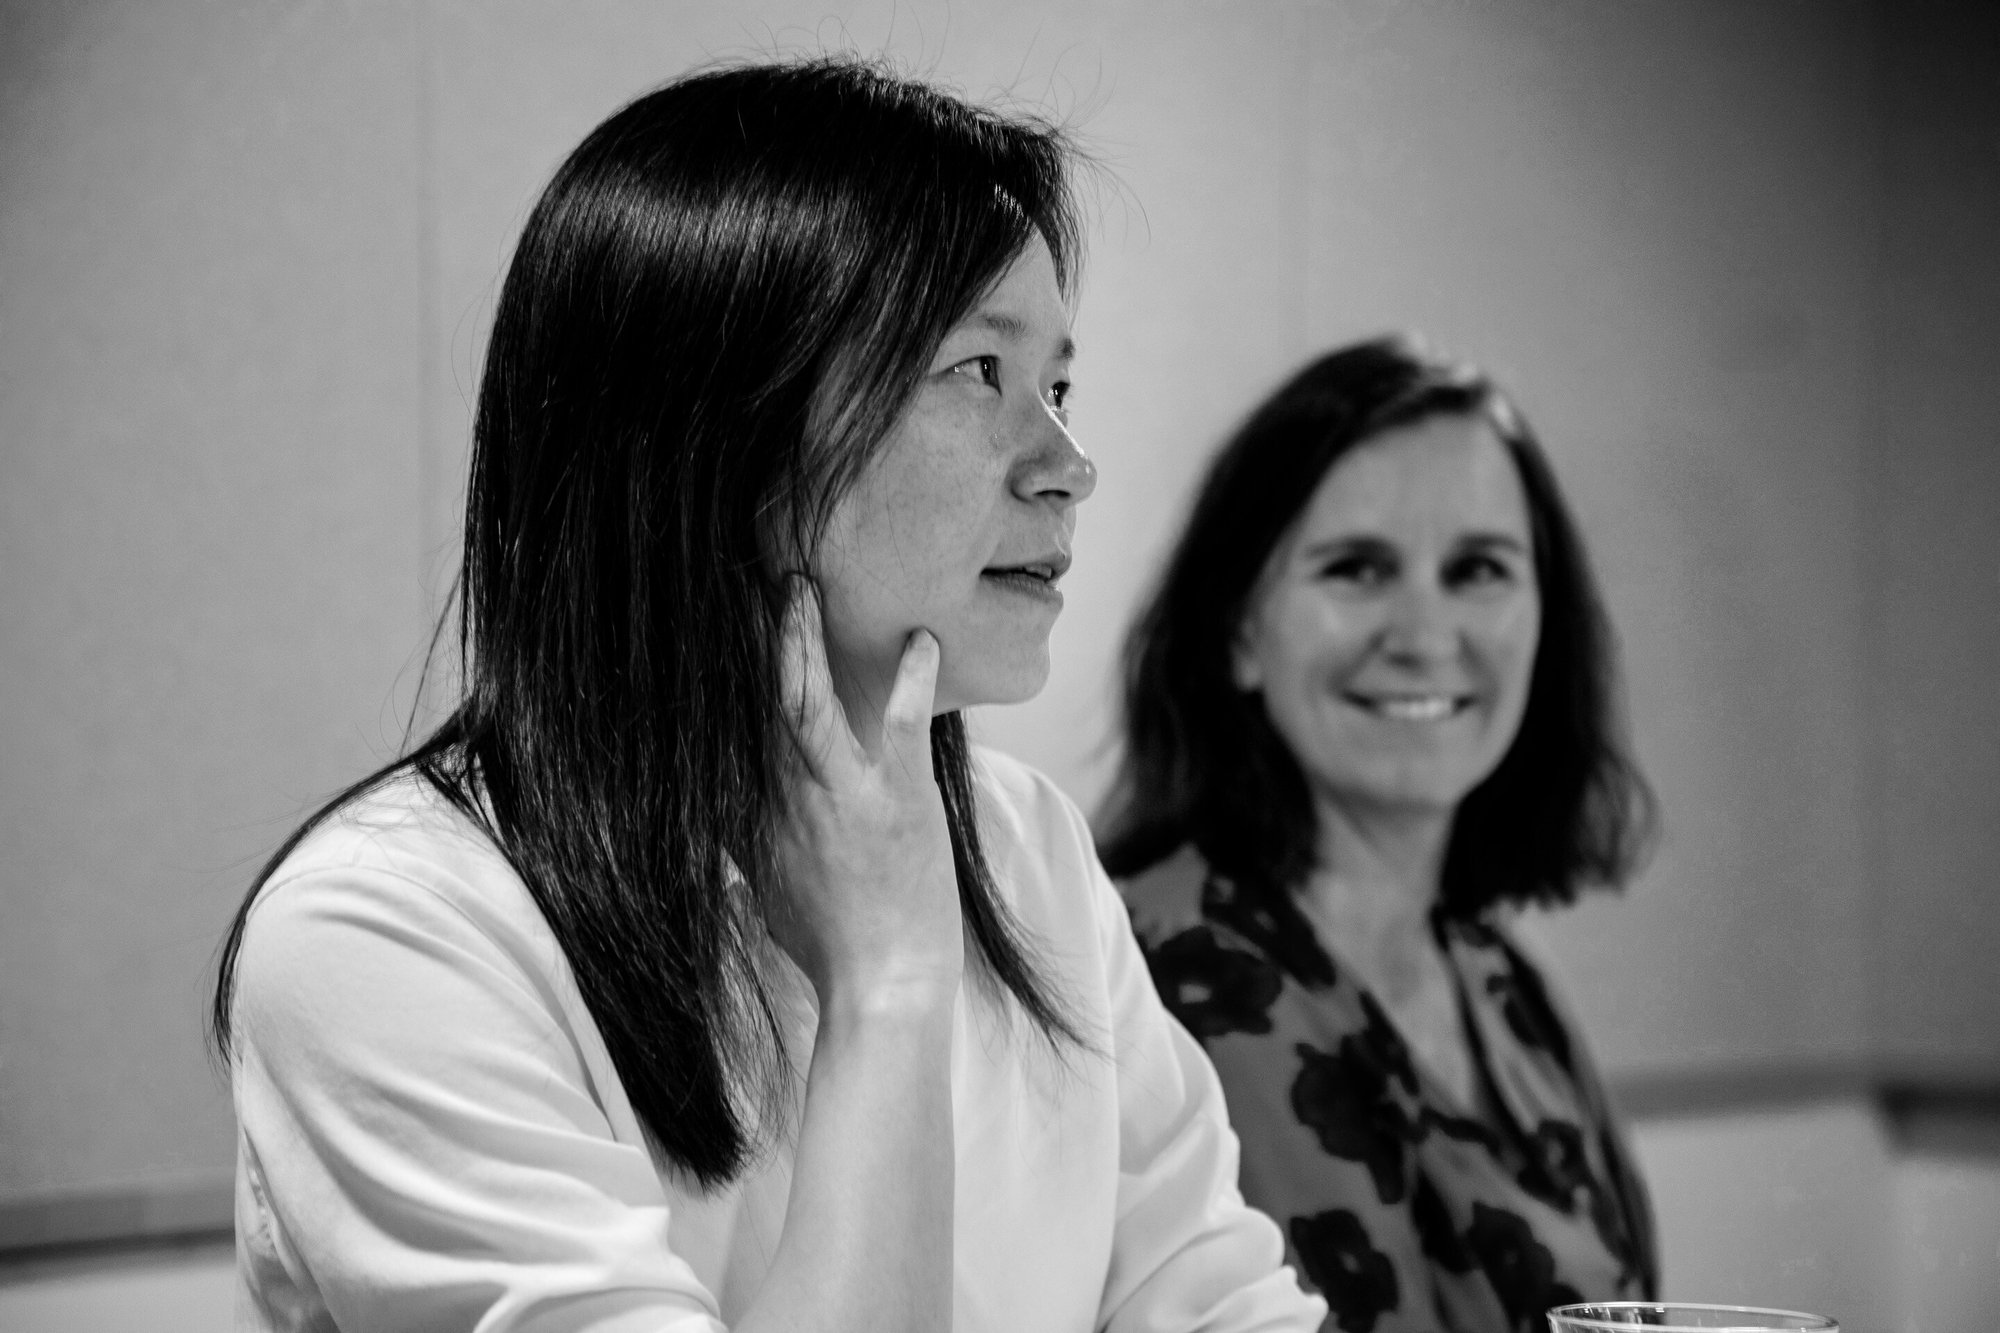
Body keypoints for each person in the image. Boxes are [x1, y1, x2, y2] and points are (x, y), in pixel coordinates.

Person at [210, 58, 1325, 1333]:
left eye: (1057, 387)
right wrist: (887, 983)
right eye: (976, 372)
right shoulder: (386, 929)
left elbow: (1219, 1303)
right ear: (719, 445)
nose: (1068, 467)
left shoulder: (1021, 846)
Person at [1098, 337, 1659, 1333]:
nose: (1423, 634)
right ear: (1237, 628)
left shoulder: (1503, 984)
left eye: (1476, 569)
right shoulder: (1139, 970)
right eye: (1356, 568)